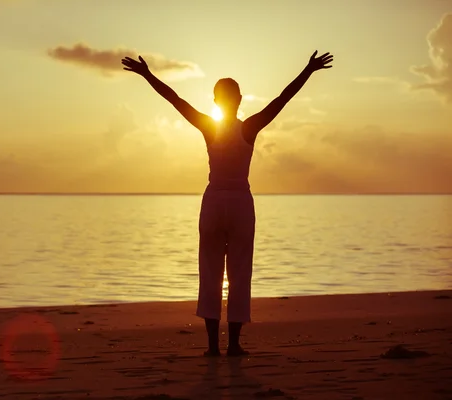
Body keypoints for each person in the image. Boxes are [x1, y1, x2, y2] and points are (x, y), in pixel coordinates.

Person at [121, 50, 334, 356]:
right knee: (239, 273)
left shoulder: (209, 127)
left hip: (214, 202)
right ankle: (233, 345)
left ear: (215, 100)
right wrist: (308, 69)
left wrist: (147, 74)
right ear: (239, 99)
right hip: (240, 204)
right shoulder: (249, 128)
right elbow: (282, 99)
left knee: (209, 273)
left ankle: (212, 347)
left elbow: (176, 100)